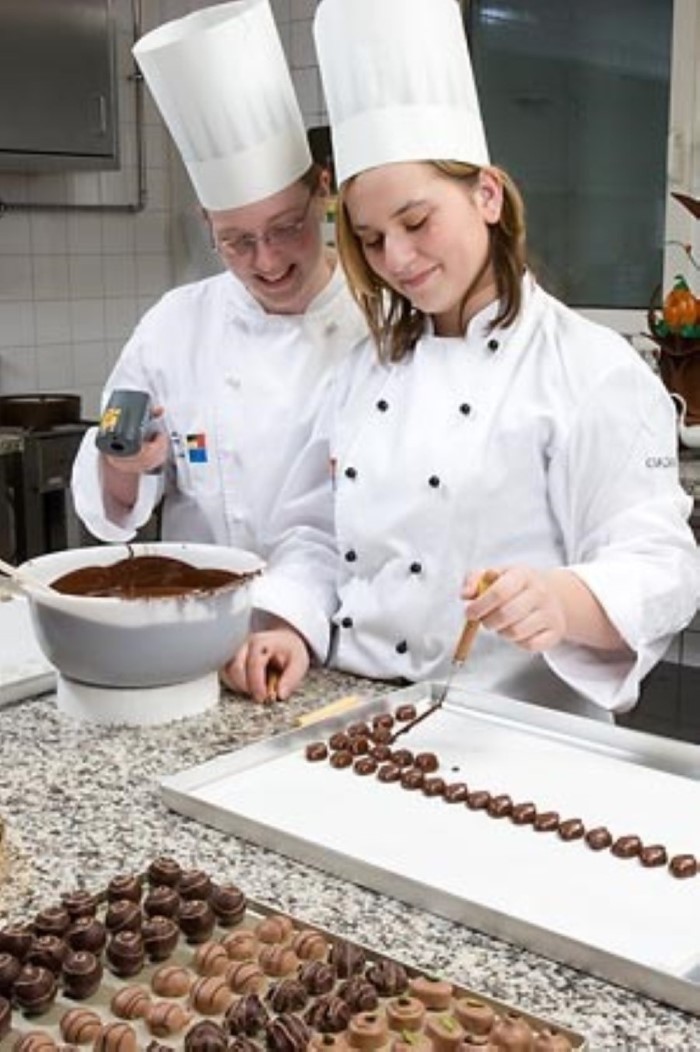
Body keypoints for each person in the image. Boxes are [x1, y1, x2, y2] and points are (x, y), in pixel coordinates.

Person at [240, 0, 700, 719]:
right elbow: (317, 535)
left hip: (519, 733)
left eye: (417, 221)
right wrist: (289, 625)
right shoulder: (361, 372)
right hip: (353, 714)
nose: (398, 259)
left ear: (486, 195)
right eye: (371, 239)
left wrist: (563, 599)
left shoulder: (590, 369)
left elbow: (662, 565)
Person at [71, 0, 365, 700]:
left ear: (321, 193)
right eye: (235, 240)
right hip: (189, 646)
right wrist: (124, 463)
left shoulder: (376, 324)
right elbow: (114, 478)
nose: (266, 260)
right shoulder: (176, 324)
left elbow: (349, 523)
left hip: (334, 647)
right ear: (206, 222)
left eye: (286, 228)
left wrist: (286, 620)